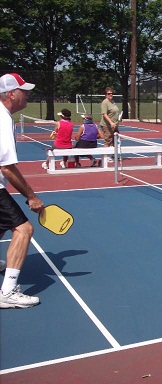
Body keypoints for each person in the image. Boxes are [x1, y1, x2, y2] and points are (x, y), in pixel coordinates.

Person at [0, 73, 44, 308]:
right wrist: (31, 196)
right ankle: (7, 292)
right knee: (24, 229)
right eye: (23, 91)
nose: (27, 94)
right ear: (11, 94)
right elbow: (7, 168)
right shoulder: (3, 119)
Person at [100, 87, 120, 162]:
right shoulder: (105, 102)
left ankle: (114, 155)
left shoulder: (113, 102)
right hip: (107, 125)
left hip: (115, 125)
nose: (111, 95)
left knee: (116, 140)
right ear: (106, 95)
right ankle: (106, 157)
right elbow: (104, 114)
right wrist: (111, 122)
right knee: (108, 140)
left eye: (112, 93)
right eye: (109, 94)